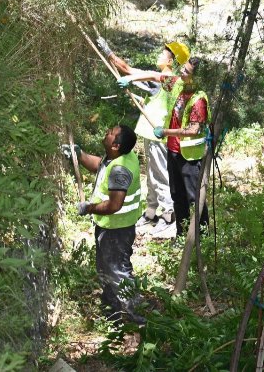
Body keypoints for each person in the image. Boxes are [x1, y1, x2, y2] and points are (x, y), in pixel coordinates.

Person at [96, 37, 190, 232]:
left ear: (171, 61)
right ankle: (150, 213)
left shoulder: (165, 79)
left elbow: (128, 70)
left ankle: (167, 216)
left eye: (164, 52)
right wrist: (139, 97)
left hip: (156, 136)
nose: (159, 54)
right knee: (152, 176)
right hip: (152, 134)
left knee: (159, 175)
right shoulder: (167, 82)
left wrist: (108, 52)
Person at [60, 125, 146, 324]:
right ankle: (111, 311)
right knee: (106, 269)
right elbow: (100, 165)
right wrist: (79, 155)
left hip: (117, 230)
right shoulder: (118, 156)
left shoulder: (120, 170)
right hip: (111, 227)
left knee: (118, 271)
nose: (106, 132)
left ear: (115, 145)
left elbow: (114, 204)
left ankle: (137, 314)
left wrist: (89, 208)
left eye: (110, 133)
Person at [117, 57, 211, 237]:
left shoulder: (199, 99)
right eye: (183, 68)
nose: (182, 72)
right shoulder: (177, 84)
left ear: (196, 78)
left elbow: (193, 129)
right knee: (177, 196)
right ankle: (182, 234)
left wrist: (166, 132)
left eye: (187, 72)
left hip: (190, 157)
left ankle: (202, 238)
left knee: (194, 199)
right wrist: (130, 79)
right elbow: (154, 76)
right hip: (173, 151)